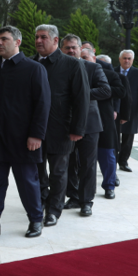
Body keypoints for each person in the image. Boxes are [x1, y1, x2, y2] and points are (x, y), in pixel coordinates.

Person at [0, 26, 50, 239]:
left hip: (24, 139)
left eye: (4, 39)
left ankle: (35, 220)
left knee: (27, 182)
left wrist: (37, 135)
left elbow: (43, 104)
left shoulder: (34, 69)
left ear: (17, 42)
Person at [33, 25, 89, 227]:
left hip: (61, 129)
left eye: (44, 37)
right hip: (34, 131)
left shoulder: (72, 65)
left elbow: (81, 99)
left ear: (56, 41)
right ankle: (38, 204)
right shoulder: (30, 64)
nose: (39, 41)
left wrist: (77, 129)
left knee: (58, 172)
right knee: (37, 171)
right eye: (37, 37)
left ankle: (54, 210)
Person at [60, 35, 110, 217]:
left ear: (81, 49)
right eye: (67, 48)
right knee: (68, 163)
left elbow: (105, 90)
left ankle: (86, 201)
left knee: (88, 164)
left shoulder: (93, 67)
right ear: (61, 49)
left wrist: (81, 93)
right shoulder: (58, 68)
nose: (71, 51)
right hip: (64, 123)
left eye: (74, 47)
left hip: (89, 123)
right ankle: (73, 196)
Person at [80, 49, 127, 199]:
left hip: (104, 118)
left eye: (85, 57)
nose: (83, 60)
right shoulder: (74, 72)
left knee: (107, 154)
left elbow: (121, 91)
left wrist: (100, 90)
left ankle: (109, 186)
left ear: (94, 58)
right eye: (80, 58)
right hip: (83, 121)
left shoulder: (109, 75)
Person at [117, 49, 138, 173]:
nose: (126, 60)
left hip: (131, 110)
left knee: (128, 136)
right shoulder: (112, 71)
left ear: (132, 60)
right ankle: (112, 161)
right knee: (113, 136)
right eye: (124, 58)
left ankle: (123, 161)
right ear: (120, 59)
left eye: (129, 58)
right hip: (114, 109)